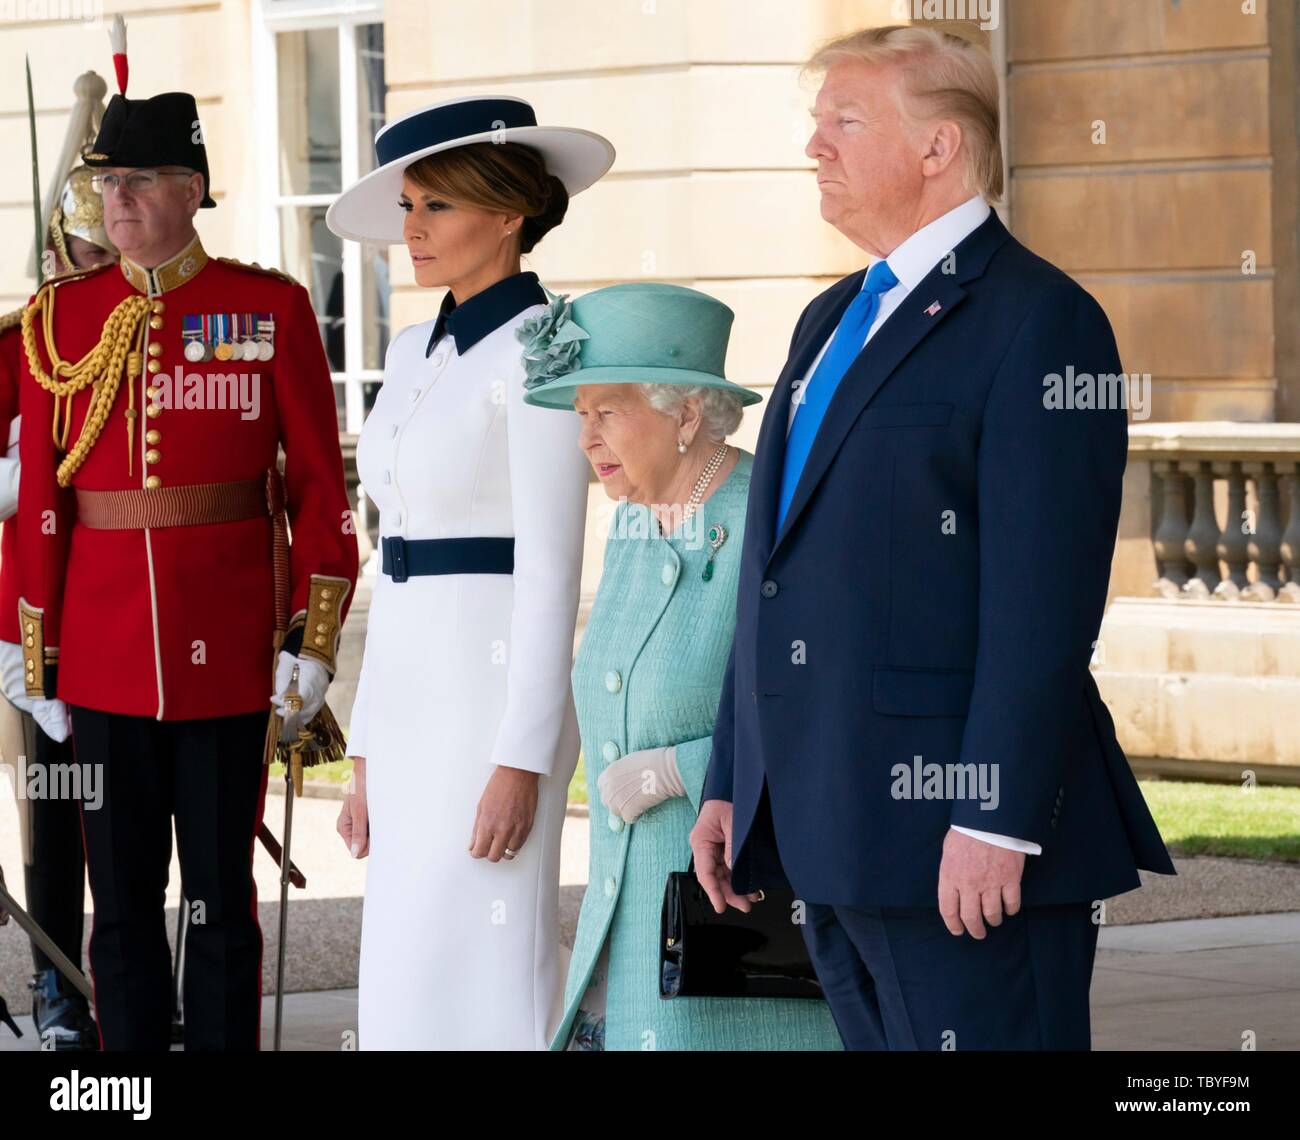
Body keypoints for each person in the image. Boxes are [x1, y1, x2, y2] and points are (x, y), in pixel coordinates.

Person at [690, 25, 1175, 1051]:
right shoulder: (828, 318)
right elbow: (774, 573)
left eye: (844, 121)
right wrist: (736, 775)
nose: (814, 146)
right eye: (815, 124)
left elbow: (1042, 603)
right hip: (828, 826)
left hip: (958, 841)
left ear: (938, 147)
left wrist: (994, 818)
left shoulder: (1041, 321)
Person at [14, 82, 358, 1050]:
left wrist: (313, 639)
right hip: (101, 664)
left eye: (139, 180)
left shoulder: (268, 311)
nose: (115, 201)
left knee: (217, 906)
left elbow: (318, 494)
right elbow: (45, 502)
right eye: (107, 181)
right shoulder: (58, 324)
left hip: (230, 666)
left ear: (193, 186)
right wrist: (33, 650)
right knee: (118, 911)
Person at [327, 95, 614, 1049]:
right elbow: (391, 557)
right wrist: (363, 745)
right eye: (407, 208)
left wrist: (524, 756)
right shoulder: (411, 351)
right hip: (408, 700)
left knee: (488, 960)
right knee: (404, 958)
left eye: (434, 207)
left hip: (490, 705)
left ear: (508, 212)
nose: (411, 232)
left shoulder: (546, 351)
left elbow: (551, 569)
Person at [521, 283, 842, 1051]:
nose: (584, 438)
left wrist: (683, 768)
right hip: (629, 928)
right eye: (579, 415)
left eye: (606, 411)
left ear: (686, 413)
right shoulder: (635, 519)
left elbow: (823, 710)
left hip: (732, 928)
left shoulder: (773, 517)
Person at [0, 69, 117, 1051]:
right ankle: (56, 991)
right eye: (87, 249)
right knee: (55, 811)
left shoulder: (167, 326)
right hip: (35, 625)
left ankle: (129, 979)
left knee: (140, 817)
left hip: (142, 620)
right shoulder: (14, 348)